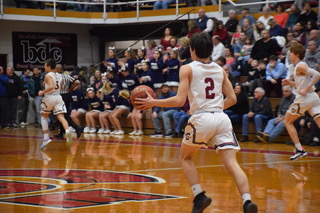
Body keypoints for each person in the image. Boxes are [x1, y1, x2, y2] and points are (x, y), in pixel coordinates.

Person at [135, 32, 258, 213]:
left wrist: (154, 103)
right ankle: (247, 201)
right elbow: (232, 98)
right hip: (222, 118)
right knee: (232, 164)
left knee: (186, 158)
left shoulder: (187, 68)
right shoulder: (219, 69)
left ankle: (199, 196)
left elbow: (178, 101)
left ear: (192, 50)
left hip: (202, 118)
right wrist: (215, 108)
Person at [282, 42, 320, 160]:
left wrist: (306, 88)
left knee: (287, 122)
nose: (289, 55)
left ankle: (299, 149)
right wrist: (291, 83)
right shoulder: (299, 66)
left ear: (297, 54)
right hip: (313, 97)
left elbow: (317, 74)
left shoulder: (300, 66)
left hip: (305, 98)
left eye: (291, 53)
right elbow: (301, 85)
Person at [38, 59, 73, 149]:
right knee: (61, 117)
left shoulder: (47, 75)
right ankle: (68, 131)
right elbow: (58, 86)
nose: (44, 67)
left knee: (44, 116)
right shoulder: (59, 75)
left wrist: (42, 92)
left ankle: (46, 138)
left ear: (49, 66)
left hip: (49, 97)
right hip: (58, 97)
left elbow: (51, 86)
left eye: (45, 65)